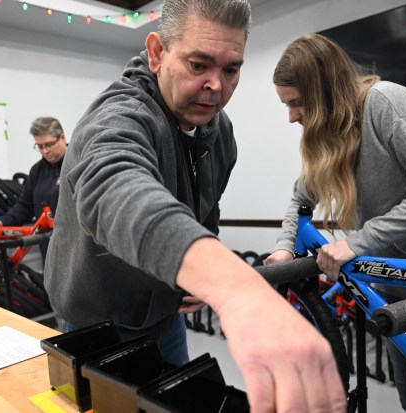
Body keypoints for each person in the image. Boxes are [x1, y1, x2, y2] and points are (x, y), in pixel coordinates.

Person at [43, 2, 346, 412]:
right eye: (199, 64)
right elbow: (115, 190)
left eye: (230, 70)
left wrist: (195, 275)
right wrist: (234, 288)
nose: (216, 86)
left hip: (165, 317)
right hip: (98, 324)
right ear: (156, 53)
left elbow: (205, 210)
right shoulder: (119, 116)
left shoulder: (217, 132)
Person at [265, 33, 406, 412]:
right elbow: (299, 199)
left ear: (325, 94)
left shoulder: (387, 102)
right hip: (396, 289)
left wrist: (357, 242)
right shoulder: (330, 138)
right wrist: (283, 248)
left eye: (298, 103)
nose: (292, 116)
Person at [0, 116, 67, 251]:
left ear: (62, 138)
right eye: (39, 146)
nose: (45, 151)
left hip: (76, 247)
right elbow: (25, 206)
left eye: (49, 144)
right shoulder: (37, 170)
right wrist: (2, 222)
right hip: (48, 247)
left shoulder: (78, 164)